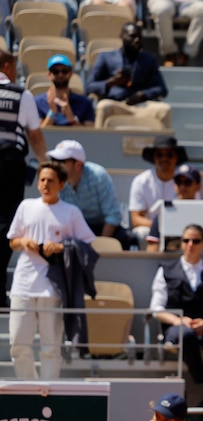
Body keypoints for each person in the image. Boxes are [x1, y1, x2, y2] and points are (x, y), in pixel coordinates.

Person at [7, 162, 95, 380]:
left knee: (51, 347)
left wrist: (61, 246)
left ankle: (48, 391)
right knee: (18, 344)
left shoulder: (71, 212)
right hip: (23, 285)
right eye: (42, 180)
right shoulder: (26, 206)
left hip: (53, 287)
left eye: (51, 180)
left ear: (62, 184)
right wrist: (24, 242)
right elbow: (12, 241)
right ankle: (29, 389)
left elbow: (88, 244)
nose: (45, 184)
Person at [149, 224, 203, 408]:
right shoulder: (166, 270)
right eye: (186, 240)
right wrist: (179, 321)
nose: (190, 245)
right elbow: (156, 308)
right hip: (176, 326)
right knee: (184, 335)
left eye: (195, 241)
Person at [0, 50, 48, 308]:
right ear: (7, 66)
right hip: (9, 166)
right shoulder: (22, 95)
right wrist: (45, 164)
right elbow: (36, 137)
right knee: (7, 224)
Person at [47, 140, 134, 250]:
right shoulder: (56, 181)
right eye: (53, 161)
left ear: (78, 164)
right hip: (73, 230)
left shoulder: (98, 176)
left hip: (102, 228)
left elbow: (113, 216)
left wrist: (100, 245)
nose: (55, 166)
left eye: (61, 161)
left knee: (124, 238)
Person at [87, 23, 171, 130]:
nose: (137, 40)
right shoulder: (105, 57)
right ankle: (99, 145)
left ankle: (163, 146)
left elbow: (161, 89)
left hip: (142, 106)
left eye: (140, 37)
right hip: (116, 104)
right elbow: (90, 86)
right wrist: (111, 82)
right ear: (122, 37)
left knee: (165, 109)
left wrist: (142, 94)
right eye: (133, 36)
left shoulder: (149, 59)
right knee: (103, 106)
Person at [146, 164, 203, 251]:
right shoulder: (163, 215)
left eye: (187, 182)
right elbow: (153, 247)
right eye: (179, 182)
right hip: (171, 263)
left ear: (198, 185)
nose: (182, 186)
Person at [129, 136, 188, 248]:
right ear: (154, 158)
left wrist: (174, 227)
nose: (164, 158)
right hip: (151, 228)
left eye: (169, 154)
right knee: (141, 233)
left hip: (180, 229)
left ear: (176, 157)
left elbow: (193, 211)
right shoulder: (141, 181)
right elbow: (136, 218)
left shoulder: (186, 180)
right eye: (159, 155)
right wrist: (160, 226)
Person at [35, 54, 95, 127]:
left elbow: (90, 135)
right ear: (49, 74)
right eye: (55, 71)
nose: (60, 75)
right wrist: (52, 113)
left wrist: (72, 119)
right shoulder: (37, 102)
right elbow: (38, 134)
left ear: (71, 74)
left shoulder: (85, 103)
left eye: (64, 71)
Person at [147, 0, 203, 67]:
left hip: (189, 2)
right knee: (162, 10)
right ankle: (170, 54)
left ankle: (187, 54)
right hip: (162, 1)